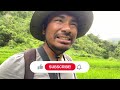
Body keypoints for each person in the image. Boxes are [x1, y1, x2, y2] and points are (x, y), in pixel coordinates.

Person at [0, 11, 93, 79]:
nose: (67, 29)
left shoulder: (69, 62)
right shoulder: (19, 63)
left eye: (73, 24)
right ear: (44, 29)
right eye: (59, 20)